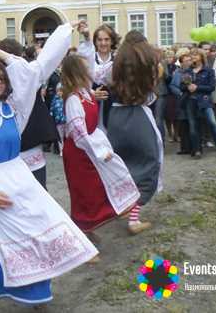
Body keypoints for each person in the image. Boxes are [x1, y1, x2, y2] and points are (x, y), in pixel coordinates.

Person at [0, 34, 98, 312]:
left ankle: (36, 295)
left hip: (21, 182)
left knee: (36, 238)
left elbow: (29, 75)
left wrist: (3, 54)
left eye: (1, 77)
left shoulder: (15, 109)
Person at [60, 53, 139, 237]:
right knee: (85, 194)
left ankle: (99, 222)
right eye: (85, 67)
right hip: (79, 153)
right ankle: (83, 232)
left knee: (98, 186)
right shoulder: (73, 99)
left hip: (89, 149)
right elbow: (79, 134)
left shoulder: (86, 93)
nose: (89, 69)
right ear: (78, 72)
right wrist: (101, 151)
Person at [104, 31, 165, 234]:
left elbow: (102, 79)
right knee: (148, 164)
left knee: (121, 166)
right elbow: (151, 96)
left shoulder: (114, 67)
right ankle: (133, 218)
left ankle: (122, 206)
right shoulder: (151, 67)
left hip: (116, 118)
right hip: (139, 117)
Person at [0, 37, 62, 189]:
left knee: (35, 188)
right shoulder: (0, 79)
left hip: (28, 142)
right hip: (18, 143)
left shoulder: (29, 73)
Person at [186, 49, 216, 159]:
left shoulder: (209, 71)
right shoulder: (188, 71)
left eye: (195, 54)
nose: (193, 57)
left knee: (213, 124)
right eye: (191, 55)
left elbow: (211, 87)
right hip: (191, 101)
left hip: (205, 101)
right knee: (193, 127)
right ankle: (197, 150)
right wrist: (187, 87)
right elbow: (182, 86)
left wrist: (197, 87)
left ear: (201, 56)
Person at [89, 24, 118, 127]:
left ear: (112, 41)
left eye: (107, 39)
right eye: (99, 40)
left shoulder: (118, 60)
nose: (103, 43)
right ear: (95, 42)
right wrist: (91, 93)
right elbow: (80, 84)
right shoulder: (89, 59)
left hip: (113, 108)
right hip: (92, 106)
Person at [170, 50, 193, 155]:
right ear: (182, 63)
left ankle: (194, 146)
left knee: (193, 124)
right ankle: (184, 148)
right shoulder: (178, 73)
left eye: (190, 60)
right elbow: (172, 86)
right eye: (186, 61)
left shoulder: (194, 71)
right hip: (182, 102)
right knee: (183, 125)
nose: (189, 62)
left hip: (193, 101)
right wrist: (179, 93)